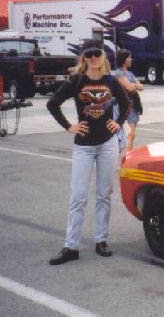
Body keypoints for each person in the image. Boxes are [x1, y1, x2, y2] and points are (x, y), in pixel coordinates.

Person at [47, 39, 129, 265]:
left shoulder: (111, 81)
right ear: (83, 57)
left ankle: (101, 240)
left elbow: (127, 103)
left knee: (104, 195)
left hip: (107, 145)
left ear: (103, 56)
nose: (93, 58)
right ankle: (70, 246)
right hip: (83, 146)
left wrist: (119, 122)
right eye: (89, 54)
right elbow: (52, 103)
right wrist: (69, 126)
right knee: (78, 197)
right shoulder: (76, 81)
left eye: (97, 54)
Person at [113, 49, 143, 152]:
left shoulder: (129, 73)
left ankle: (127, 154)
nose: (131, 59)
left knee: (132, 133)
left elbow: (141, 87)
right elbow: (130, 88)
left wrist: (133, 85)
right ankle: (126, 157)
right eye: (129, 57)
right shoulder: (118, 73)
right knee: (128, 133)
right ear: (124, 59)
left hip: (133, 105)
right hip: (123, 106)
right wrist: (134, 85)